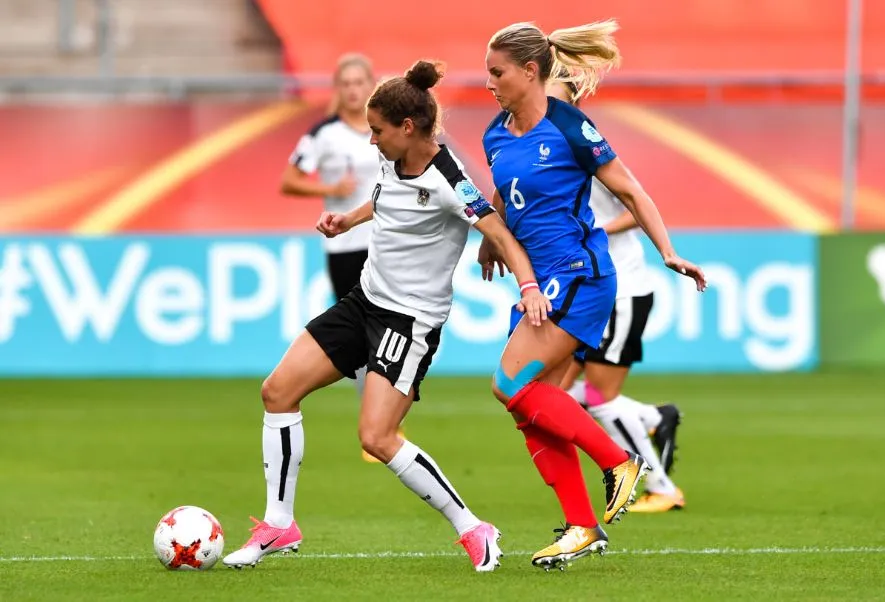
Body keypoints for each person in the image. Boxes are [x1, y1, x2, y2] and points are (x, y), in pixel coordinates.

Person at [223, 60, 552, 573]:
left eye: (377, 131)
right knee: (277, 391)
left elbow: (500, 233)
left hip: (409, 321)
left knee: (376, 438)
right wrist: (347, 219)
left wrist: (528, 286)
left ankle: (472, 526)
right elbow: (385, 198)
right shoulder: (391, 160)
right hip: (364, 301)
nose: (371, 140)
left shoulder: (450, 180)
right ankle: (279, 523)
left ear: (407, 128)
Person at [479, 20, 706, 570]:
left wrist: (668, 251)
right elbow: (506, 190)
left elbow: (631, 188)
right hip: (540, 278)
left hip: (580, 274)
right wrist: (494, 240)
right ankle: (582, 526)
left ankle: (620, 462)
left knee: (509, 381)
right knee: (531, 411)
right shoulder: (495, 133)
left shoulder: (569, 126)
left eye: (497, 72)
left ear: (530, 71)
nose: (489, 83)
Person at [546, 76, 685, 513]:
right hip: (584, 292)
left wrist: (592, 232)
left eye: (552, 94)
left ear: (571, 101)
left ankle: (660, 486)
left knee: (599, 398)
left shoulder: (585, 144)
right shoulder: (541, 149)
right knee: (558, 397)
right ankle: (652, 418)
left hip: (621, 290)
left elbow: (635, 205)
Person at [280, 54, 394, 463]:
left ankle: (383, 418)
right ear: (337, 89)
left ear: (371, 85)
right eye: (345, 82)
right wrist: (327, 187)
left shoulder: (387, 130)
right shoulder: (324, 135)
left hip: (386, 242)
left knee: (389, 329)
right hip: (345, 246)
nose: (352, 89)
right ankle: (374, 418)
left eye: (359, 81)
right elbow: (289, 180)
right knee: (364, 333)